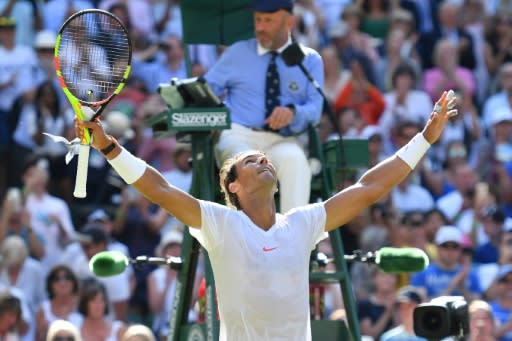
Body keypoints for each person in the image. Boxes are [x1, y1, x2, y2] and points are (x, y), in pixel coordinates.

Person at [77, 47, 458, 337]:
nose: (264, 161)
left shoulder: (303, 223)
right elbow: (159, 188)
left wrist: (424, 138)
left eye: (265, 159)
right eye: (251, 161)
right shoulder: (219, 223)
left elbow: (369, 187)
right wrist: (110, 147)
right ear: (233, 186)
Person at [204, 0, 324, 213]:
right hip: (238, 134)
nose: (260, 27)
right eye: (258, 19)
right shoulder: (238, 52)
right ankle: (246, 240)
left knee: (296, 162)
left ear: (289, 22)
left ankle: (293, 240)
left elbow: (315, 109)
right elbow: (205, 90)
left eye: (268, 20)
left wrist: (293, 113)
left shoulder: (309, 60)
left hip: (282, 139)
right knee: (247, 167)